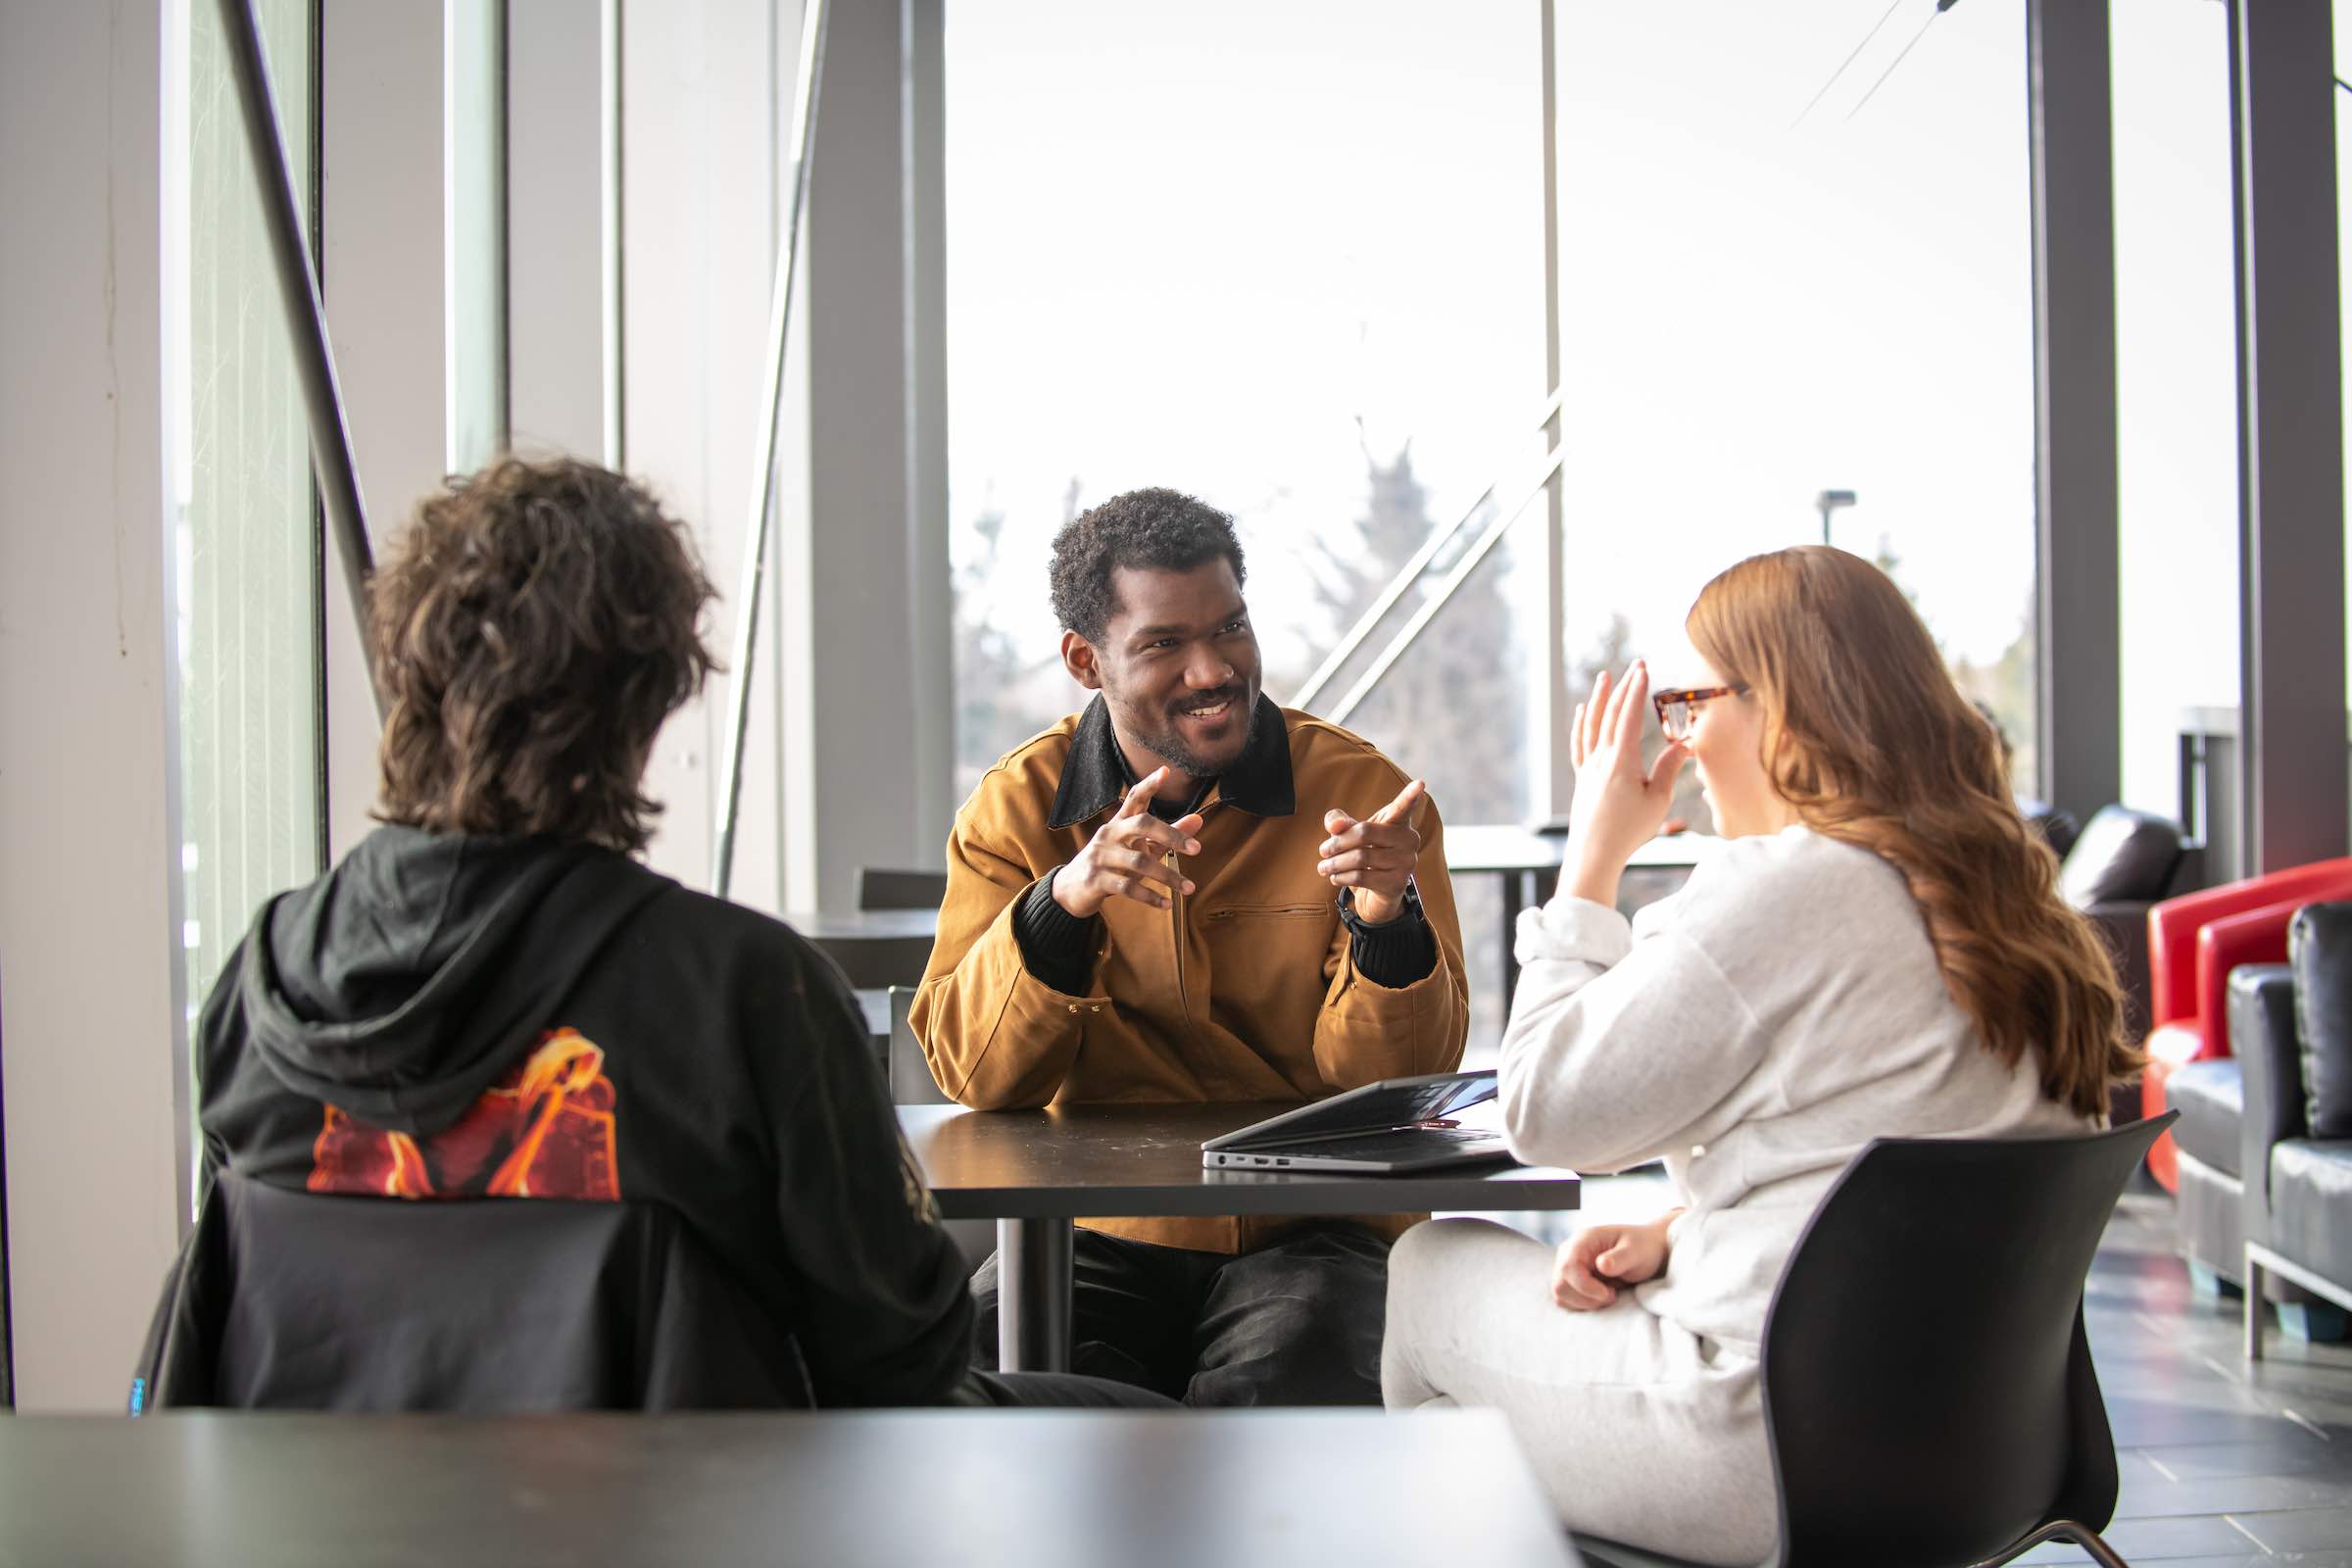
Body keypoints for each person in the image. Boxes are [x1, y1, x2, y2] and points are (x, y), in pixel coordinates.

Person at [193, 456, 1156, 1410]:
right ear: (650, 693)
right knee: (1153, 1441)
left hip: (332, 1528)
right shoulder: (740, 991)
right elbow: (899, 1352)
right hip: (689, 1522)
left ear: (406, 667)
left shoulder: (261, 983)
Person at [1381, 546, 2137, 1564]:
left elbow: (1548, 1111)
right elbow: (1891, 1148)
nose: (1681, 743)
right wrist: (1683, 1230)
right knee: (1469, 1437)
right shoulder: (2009, 894)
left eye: (1691, 703)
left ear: (1782, 703)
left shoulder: (1788, 889)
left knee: (1429, 1267)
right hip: (1979, 1460)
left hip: (1768, 1451)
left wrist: (1592, 861)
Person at [911, 486, 1470, 1406]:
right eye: (1165, 643)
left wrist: (1382, 920)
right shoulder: (1015, 811)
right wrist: (1066, 900)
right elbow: (975, 1075)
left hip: (1319, 1230)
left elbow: (1394, 1090)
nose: (1213, 669)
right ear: (1086, 660)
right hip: (1093, 1229)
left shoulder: (1365, 793)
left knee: (1297, 1385)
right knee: (971, 1374)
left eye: (1232, 628)